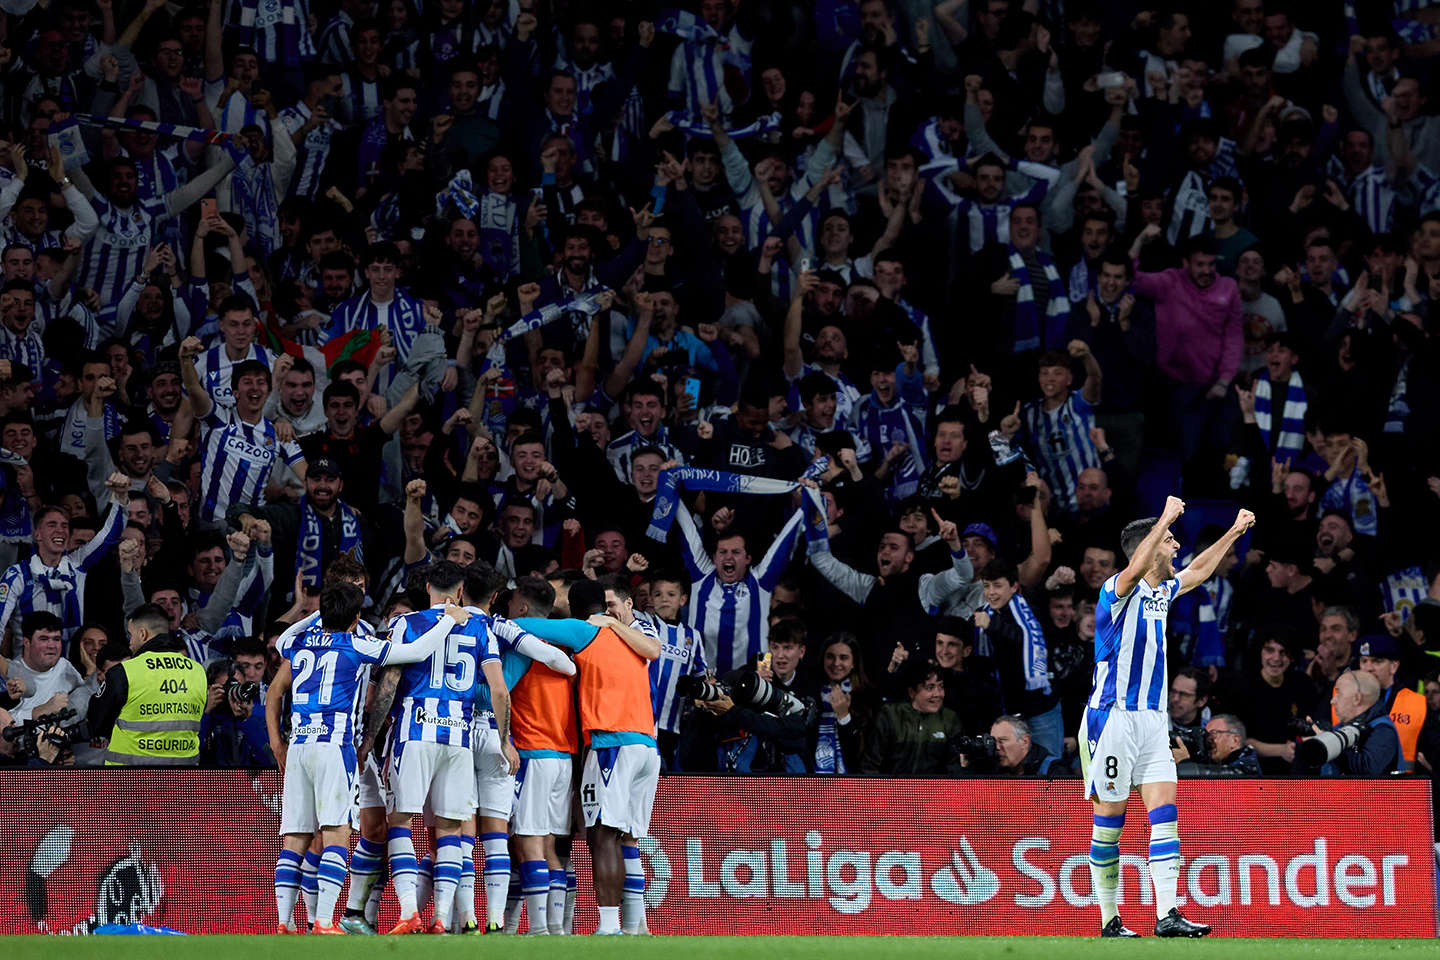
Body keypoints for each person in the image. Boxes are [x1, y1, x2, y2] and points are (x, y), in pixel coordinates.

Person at [1081, 497, 1253, 938]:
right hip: (1113, 719)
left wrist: (1233, 532)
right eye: (1170, 540)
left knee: (1165, 814)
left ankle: (1167, 914)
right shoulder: (1116, 591)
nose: (1176, 546)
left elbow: (1199, 572)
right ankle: (1109, 919)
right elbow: (1136, 567)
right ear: (1149, 546)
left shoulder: (1162, 592)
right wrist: (1163, 519)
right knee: (1111, 824)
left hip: (1154, 722)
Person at [267, 581, 464, 934]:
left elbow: (283, 638)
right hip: (334, 746)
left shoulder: (297, 643)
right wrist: (449, 620)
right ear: (357, 617)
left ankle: (283, 921)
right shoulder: (358, 643)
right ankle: (325, 921)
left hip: (298, 745)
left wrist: (313, 616)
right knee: (336, 831)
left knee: (295, 835)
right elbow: (416, 652)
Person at [359, 561, 508, 934]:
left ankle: (410, 911)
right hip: (457, 738)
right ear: (460, 592)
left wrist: (370, 736)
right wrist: (504, 741)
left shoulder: (406, 624)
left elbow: (389, 683)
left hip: (416, 731)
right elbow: (499, 691)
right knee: (449, 829)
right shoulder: (479, 628)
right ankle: (441, 916)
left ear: (427, 587)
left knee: (402, 820)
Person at [511, 579, 660, 936]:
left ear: (576, 609)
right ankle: (637, 927)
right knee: (627, 837)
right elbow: (653, 650)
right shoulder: (629, 638)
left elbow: (523, 624)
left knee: (602, 836)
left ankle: (609, 928)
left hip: (612, 743)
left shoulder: (585, 630)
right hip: (647, 746)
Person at [87, 604, 208, 766]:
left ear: (143, 634)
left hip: (131, 782)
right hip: (181, 782)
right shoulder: (198, 671)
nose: (130, 643)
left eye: (131, 635)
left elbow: (98, 723)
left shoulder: (125, 672)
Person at [860, 661, 963, 776]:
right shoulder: (890, 715)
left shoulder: (949, 719)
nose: (938, 694)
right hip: (890, 791)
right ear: (912, 692)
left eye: (941, 686)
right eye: (930, 688)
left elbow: (954, 770)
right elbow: (869, 766)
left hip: (932, 792)